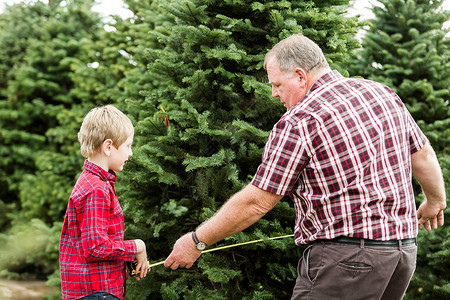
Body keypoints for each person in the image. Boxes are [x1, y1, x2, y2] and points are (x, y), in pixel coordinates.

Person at [163, 34, 446, 299]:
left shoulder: (300, 120)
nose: (274, 94)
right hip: (402, 255)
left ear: (300, 76)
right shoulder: (382, 94)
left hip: (346, 263)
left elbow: (257, 202)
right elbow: (422, 156)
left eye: (276, 85)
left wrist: (196, 241)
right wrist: (435, 201)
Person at [59, 105, 149, 300]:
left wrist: (123, 260)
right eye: (128, 146)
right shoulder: (97, 189)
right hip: (97, 294)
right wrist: (137, 246)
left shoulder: (92, 181)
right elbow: (95, 247)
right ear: (108, 147)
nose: (131, 153)